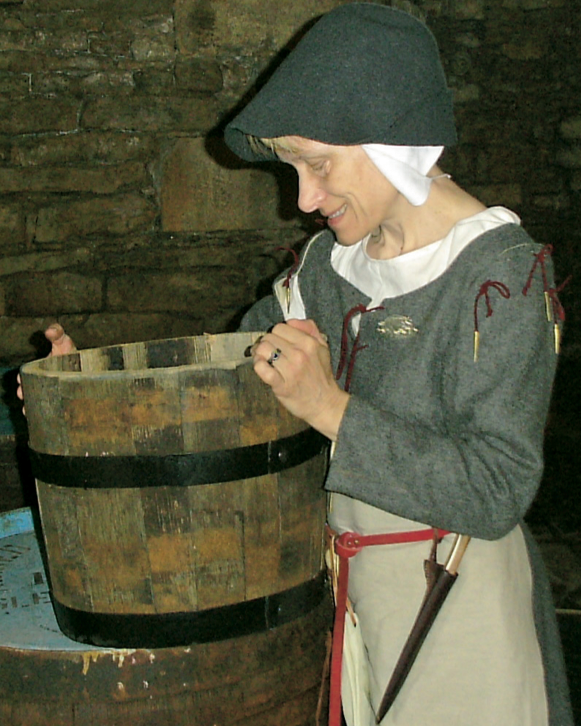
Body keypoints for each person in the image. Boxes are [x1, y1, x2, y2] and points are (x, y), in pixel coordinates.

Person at [19, 4, 572, 725]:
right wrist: (91, 400)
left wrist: (328, 408)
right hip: (338, 591)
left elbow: (497, 489)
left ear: (394, 141)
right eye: (292, 167)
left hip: (453, 599)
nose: (303, 199)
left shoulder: (499, 280)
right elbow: (228, 381)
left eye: (316, 164)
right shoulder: (328, 265)